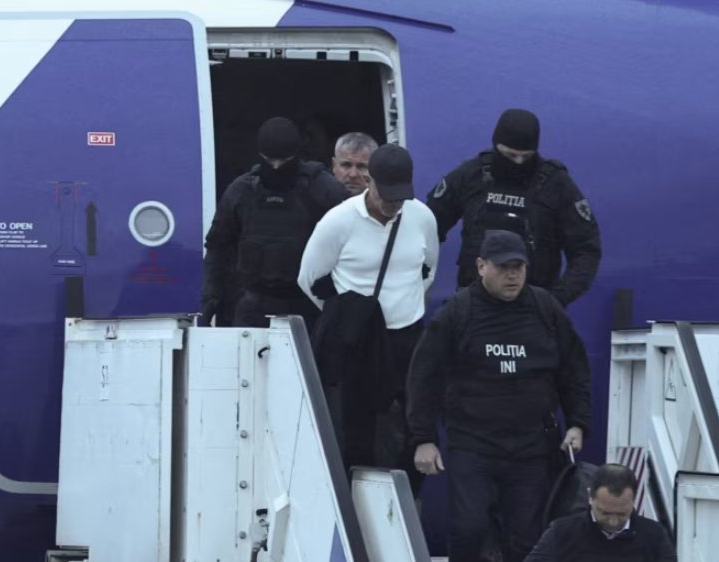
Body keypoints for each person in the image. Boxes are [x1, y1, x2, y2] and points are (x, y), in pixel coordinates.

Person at [407, 229, 592, 562]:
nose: (512, 275)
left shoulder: (544, 308)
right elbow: (424, 377)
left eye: (518, 267)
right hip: (473, 443)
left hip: (532, 445)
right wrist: (423, 438)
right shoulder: (458, 311)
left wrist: (578, 422)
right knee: (469, 527)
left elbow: (574, 368)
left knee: (526, 538)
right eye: (503, 267)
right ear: (481, 266)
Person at [299, 143, 439, 492]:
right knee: (356, 432)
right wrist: (349, 317)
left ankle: (407, 499)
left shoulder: (421, 217)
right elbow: (309, 278)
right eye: (386, 195)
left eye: (400, 196)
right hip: (359, 343)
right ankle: (354, 501)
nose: (393, 204)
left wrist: (403, 305)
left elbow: (428, 270)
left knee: (412, 429)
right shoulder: (338, 221)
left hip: (406, 336)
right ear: (369, 181)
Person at [426, 108, 602, 306]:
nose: (518, 162)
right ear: (496, 146)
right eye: (510, 155)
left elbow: (586, 249)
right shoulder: (470, 176)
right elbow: (426, 226)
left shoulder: (556, 184)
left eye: (526, 157)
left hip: (533, 308)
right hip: (473, 305)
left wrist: (556, 299)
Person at [200, 116, 345, 328]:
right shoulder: (242, 191)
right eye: (270, 161)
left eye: (284, 162)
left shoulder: (324, 190)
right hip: (253, 305)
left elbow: (351, 244)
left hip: (308, 304)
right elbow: (217, 247)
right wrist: (210, 299)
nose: (276, 167)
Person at [524, 464, 677, 562]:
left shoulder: (654, 535)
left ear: (634, 500)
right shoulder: (562, 532)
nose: (613, 522)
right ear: (590, 497)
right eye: (605, 513)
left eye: (622, 514)